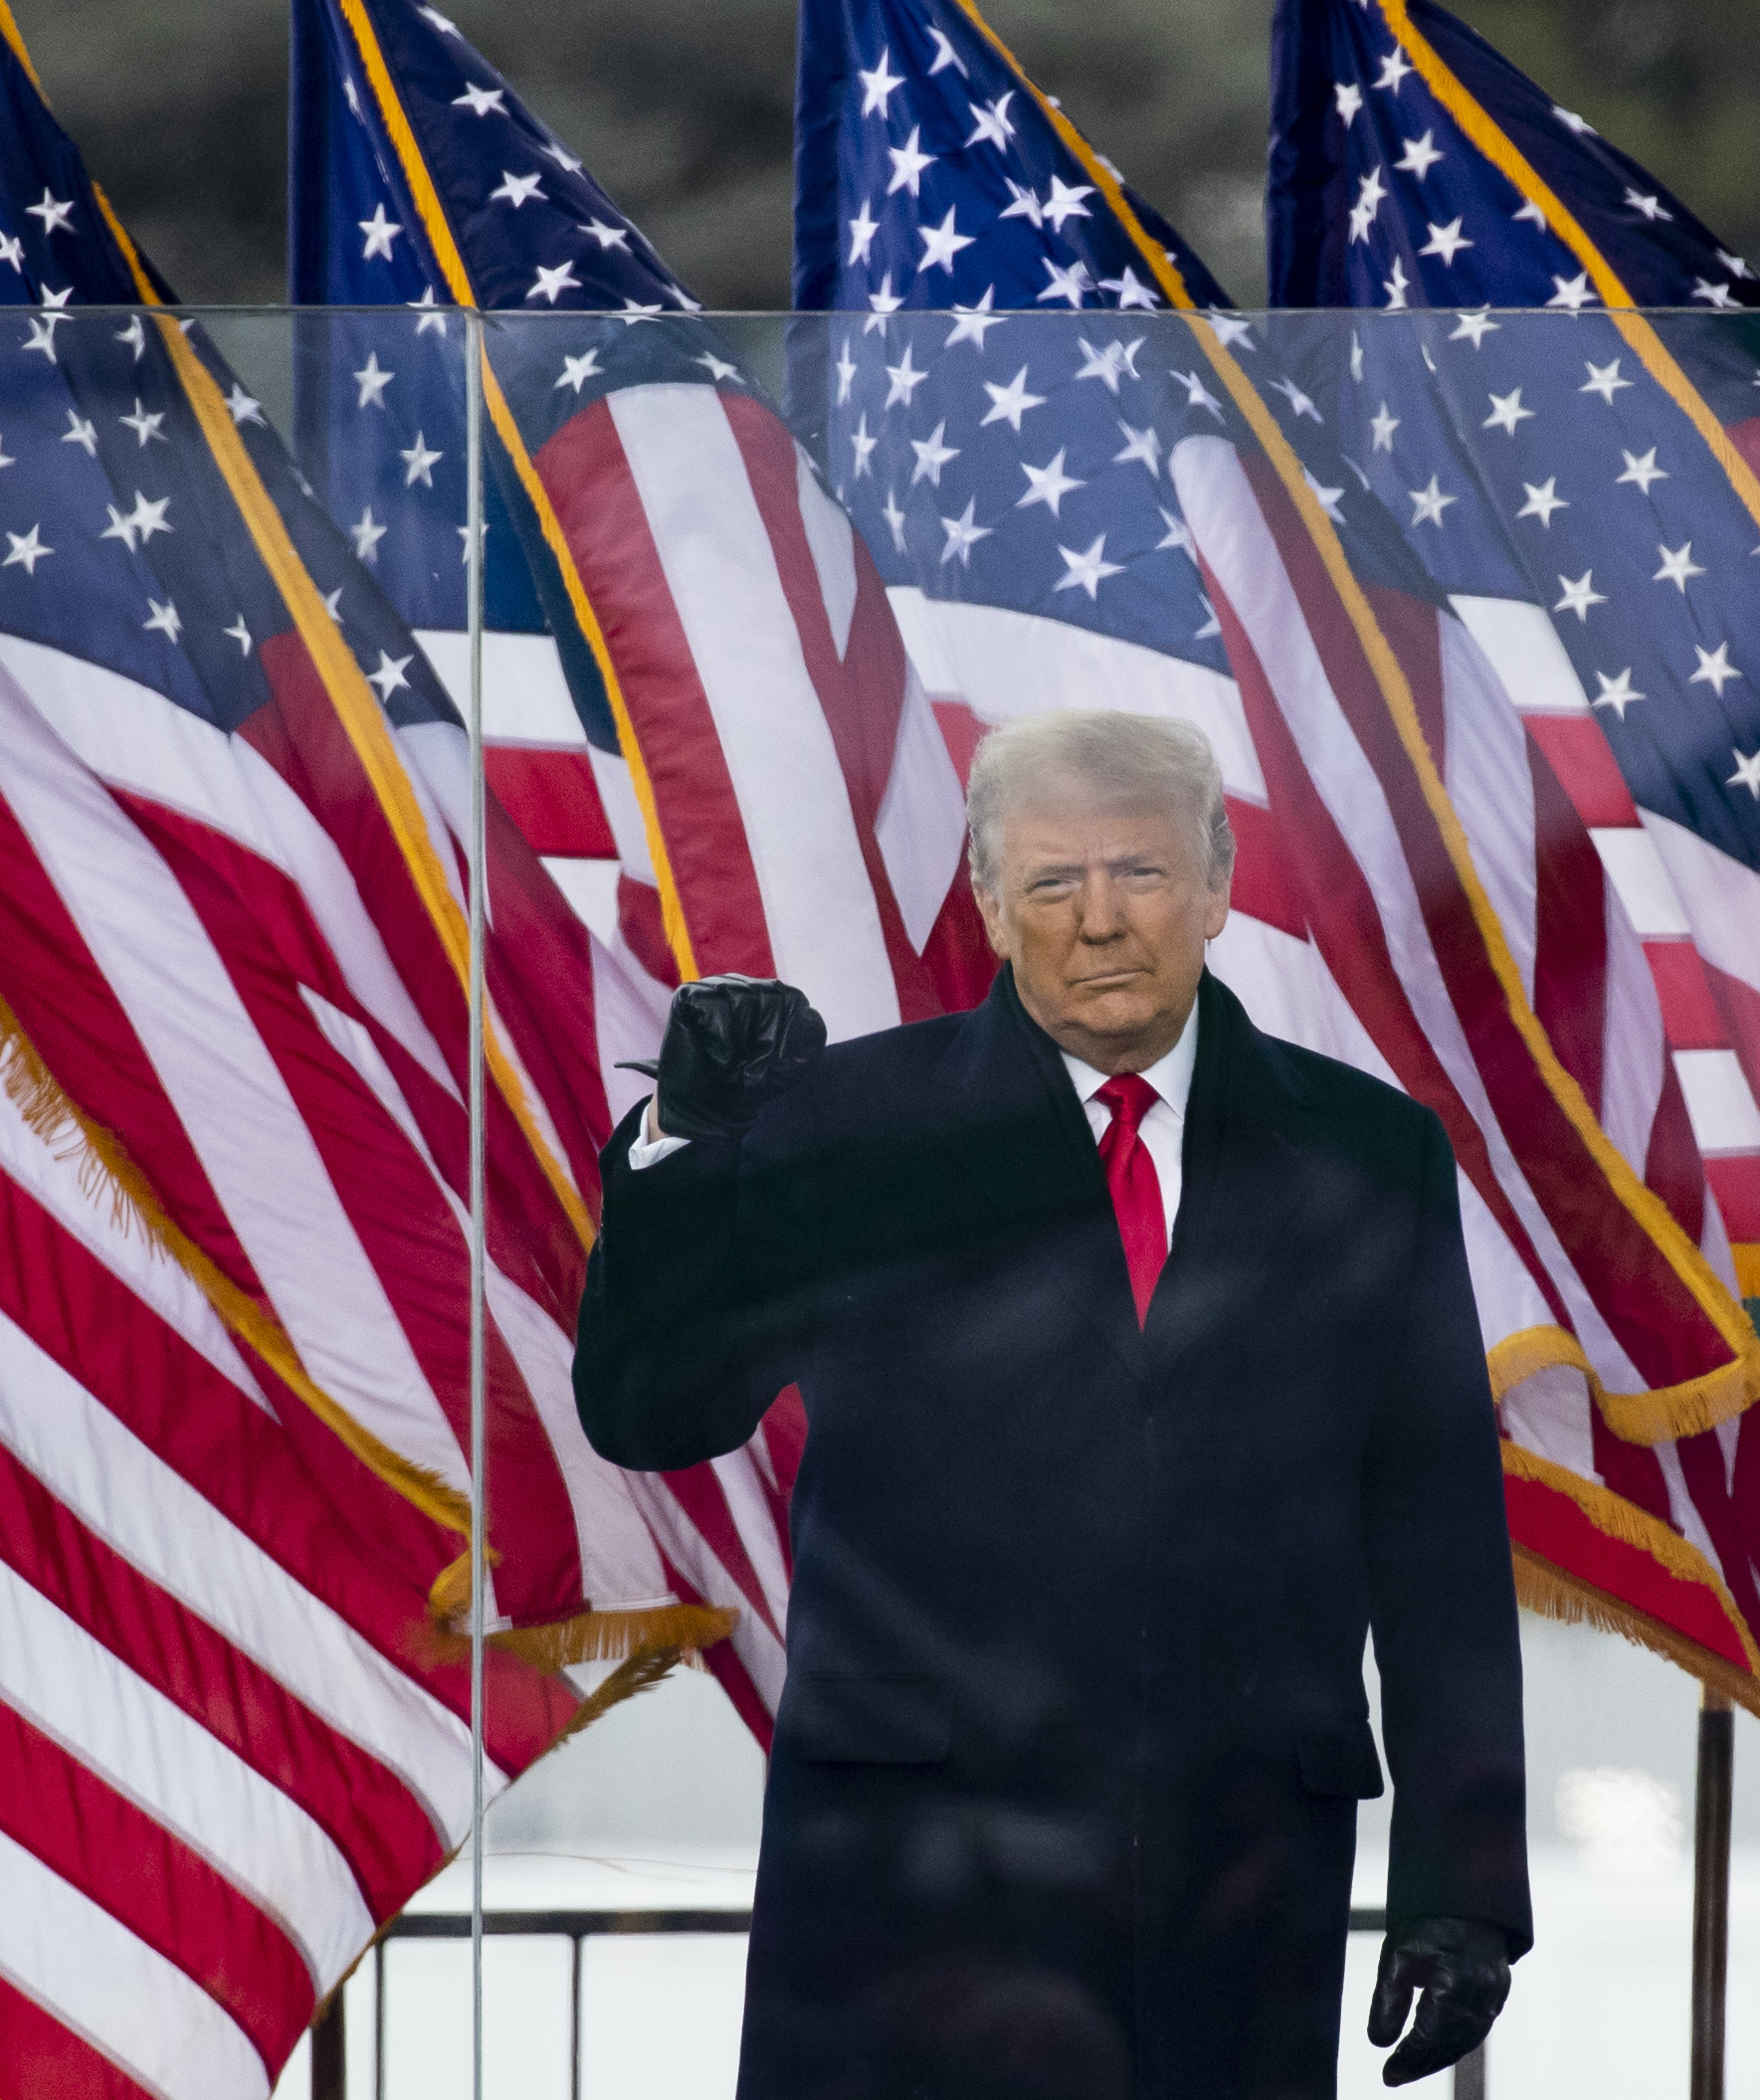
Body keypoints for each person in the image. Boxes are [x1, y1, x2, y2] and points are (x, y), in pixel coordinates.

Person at [574, 708, 1527, 2100]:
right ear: (986, 896)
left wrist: (1466, 1889)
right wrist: (688, 1150)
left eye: (1138, 873)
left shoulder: (1371, 1154)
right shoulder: (853, 1127)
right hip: (909, 1891)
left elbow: (1436, 1536)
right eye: (1051, 882)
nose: (1097, 923)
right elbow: (653, 1409)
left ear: (1217, 879)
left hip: (1241, 1883)